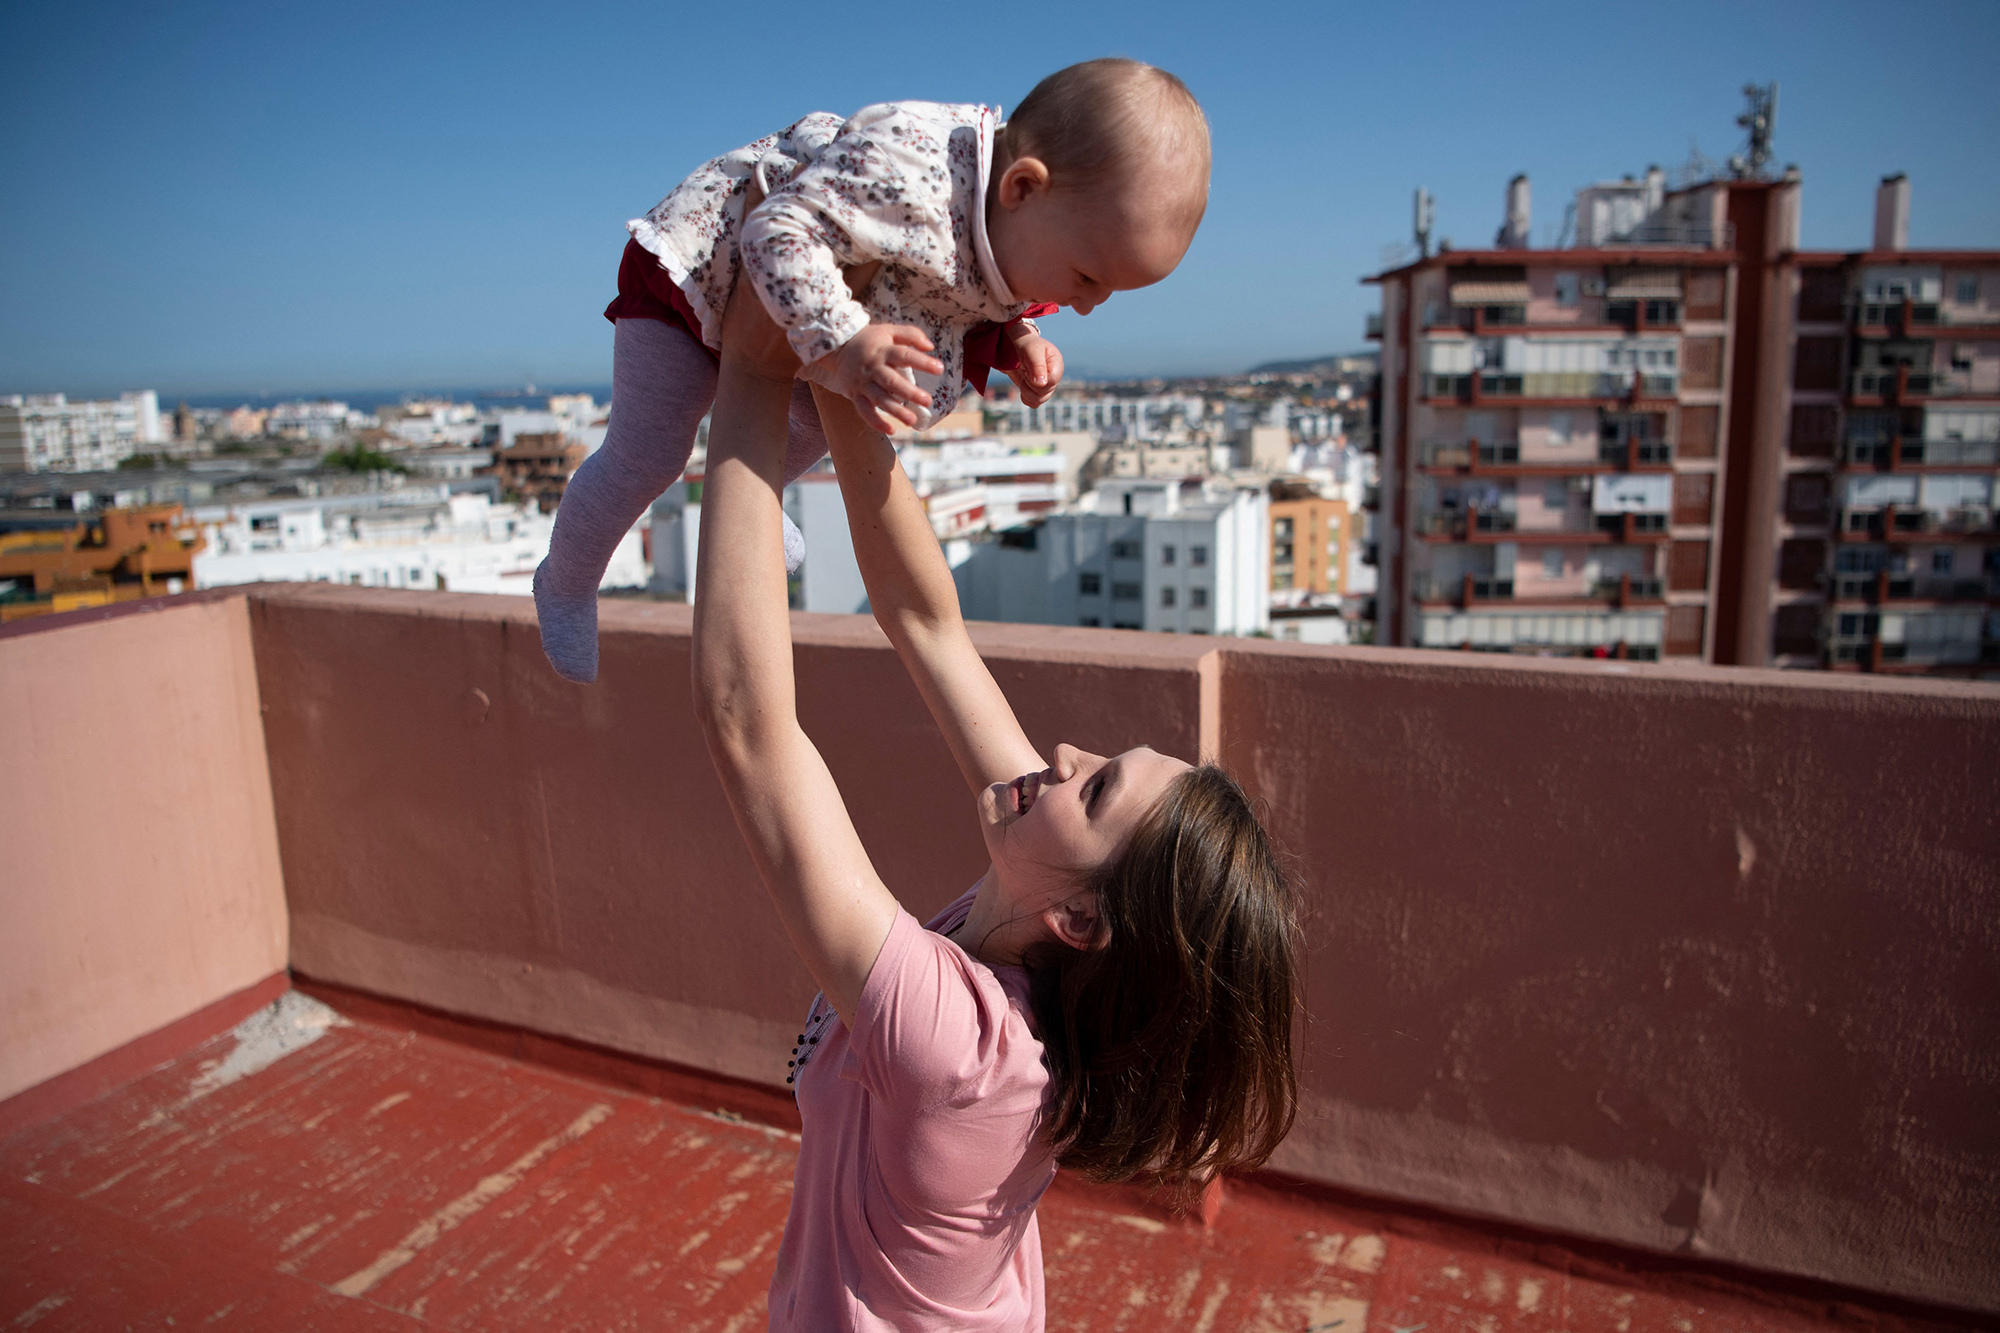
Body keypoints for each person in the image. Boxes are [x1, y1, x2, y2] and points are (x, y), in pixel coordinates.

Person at [687, 134, 1302, 1333]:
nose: (1060, 758)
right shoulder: (1045, 910)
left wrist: (750, 385)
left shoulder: (955, 1045)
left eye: (1096, 784)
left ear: (1082, 918)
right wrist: (840, 362)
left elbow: (748, 727)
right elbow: (924, 618)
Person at [534, 57, 1210, 683]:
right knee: (647, 456)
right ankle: (564, 582)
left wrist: (1015, 340)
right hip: (694, 277)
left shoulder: (1012, 221)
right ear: (1022, 186)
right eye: (1090, 277)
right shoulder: (907, 166)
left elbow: (967, 288)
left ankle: (761, 504)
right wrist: (847, 342)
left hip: (792, 317)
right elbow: (773, 231)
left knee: (821, 423)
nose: (1088, 306)